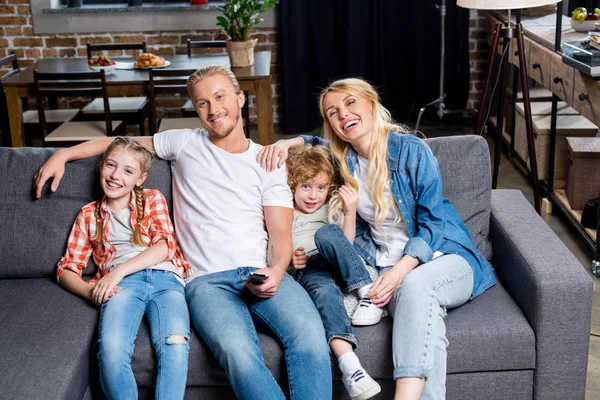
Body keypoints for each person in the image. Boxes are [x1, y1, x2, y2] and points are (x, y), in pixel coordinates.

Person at [35, 65, 331, 400]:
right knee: (240, 355)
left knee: (310, 341)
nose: (213, 109)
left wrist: (277, 270)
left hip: (260, 271)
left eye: (220, 97)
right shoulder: (183, 142)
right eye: (202, 103)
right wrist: (64, 153)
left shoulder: (267, 161)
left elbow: (280, 233)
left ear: (240, 98)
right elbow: (120, 145)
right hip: (205, 282)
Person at [257, 77, 497, 400]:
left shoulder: (413, 152)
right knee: (427, 327)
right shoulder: (345, 163)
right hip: (385, 266)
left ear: (371, 104)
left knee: (416, 286)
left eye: (350, 103)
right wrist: (288, 143)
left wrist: (399, 272)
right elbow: (316, 142)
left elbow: (433, 224)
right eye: (333, 112)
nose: (343, 115)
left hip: (446, 258)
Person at [56, 137, 191, 400]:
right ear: (101, 167)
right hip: (122, 287)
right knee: (111, 349)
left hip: (166, 278)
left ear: (140, 179)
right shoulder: (88, 214)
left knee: (174, 344)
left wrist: (117, 271)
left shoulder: (152, 199)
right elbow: (66, 269)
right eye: (111, 165)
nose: (116, 176)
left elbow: (164, 246)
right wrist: (91, 291)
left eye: (128, 171)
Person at [286, 144, 381, 400]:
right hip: (310, 269)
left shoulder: (328, 209)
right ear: (293, 186)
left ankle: (365, 290)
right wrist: (289, 260)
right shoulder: (284, 212)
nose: (313, 195)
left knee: (327, 232)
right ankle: (352, 368)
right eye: (305, 186)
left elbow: (344, 244)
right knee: (325, 294)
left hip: (337, 260)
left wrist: (350, 213)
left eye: (320, 188)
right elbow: (274, 248)